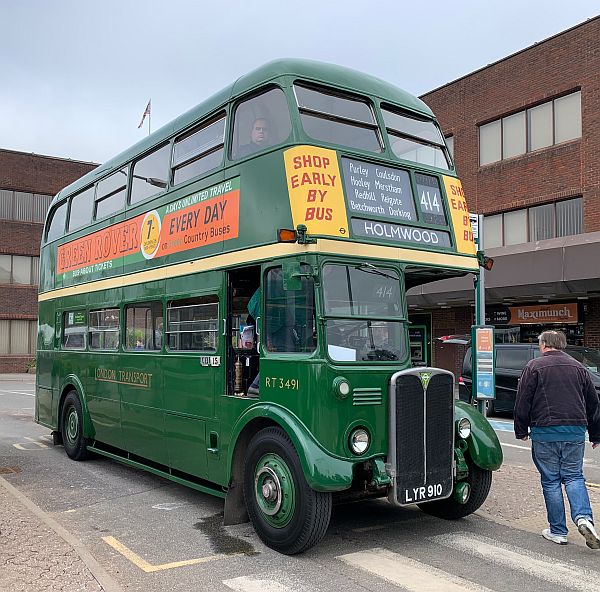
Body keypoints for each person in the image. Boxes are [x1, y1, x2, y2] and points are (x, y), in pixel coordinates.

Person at [514, 330, 600, 549]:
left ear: (543, 345)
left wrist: (521, 430)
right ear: (562, 345)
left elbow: (523, 400)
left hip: (545, 432)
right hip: (575, 432)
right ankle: (584, 519)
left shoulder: (533, 367)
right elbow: (593, 403)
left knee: (551, 480)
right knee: (573, 476)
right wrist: (596, 433)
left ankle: (558, 531)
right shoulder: (579, 368)